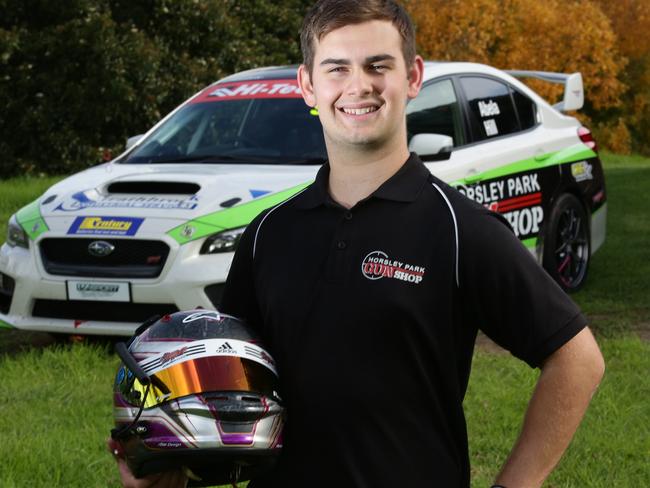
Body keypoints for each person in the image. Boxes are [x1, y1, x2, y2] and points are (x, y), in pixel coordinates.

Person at [110, 1, 605, 486]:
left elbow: (577, 359)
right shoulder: (268, 233)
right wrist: (171, 458)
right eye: (337, 68)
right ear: (307, 85)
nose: (358, 86)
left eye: (377, 66)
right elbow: (236, 381)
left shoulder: (458, 228)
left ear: (412, 77)